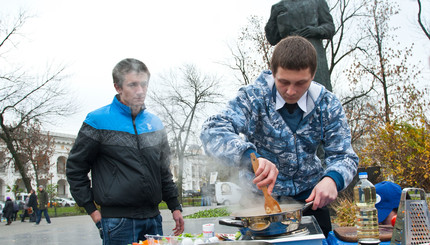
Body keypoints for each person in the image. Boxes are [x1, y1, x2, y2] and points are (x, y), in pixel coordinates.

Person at [200, 36, 358, 237]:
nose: (291, 91)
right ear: (273, 73)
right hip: (258, 206)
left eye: (301, 83)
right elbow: (211, 130)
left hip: (310, 203)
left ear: (313, 75)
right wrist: (251, 159)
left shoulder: (327, 105)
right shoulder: (253, 97)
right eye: (283, 82)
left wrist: (332, 179)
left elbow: (345, 156)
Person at [66, 58, 184, 245]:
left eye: (144, 84)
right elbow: (75, 169)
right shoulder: (97, 121)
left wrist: (175, 207)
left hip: (154, 220)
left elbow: (163, 171)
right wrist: (93, 212)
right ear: (118, 87)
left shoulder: (155, 123)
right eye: (133, 85)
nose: (140, 91)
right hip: (118, 222)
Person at [265, 0, 335, 92]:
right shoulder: (278, 7)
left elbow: (330, 27)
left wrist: (315, 30)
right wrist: (273, 17)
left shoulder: (317, 2)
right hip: (286, 55)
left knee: (317, 92)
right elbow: (272, 39)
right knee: (288, 91)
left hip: (313, 52)